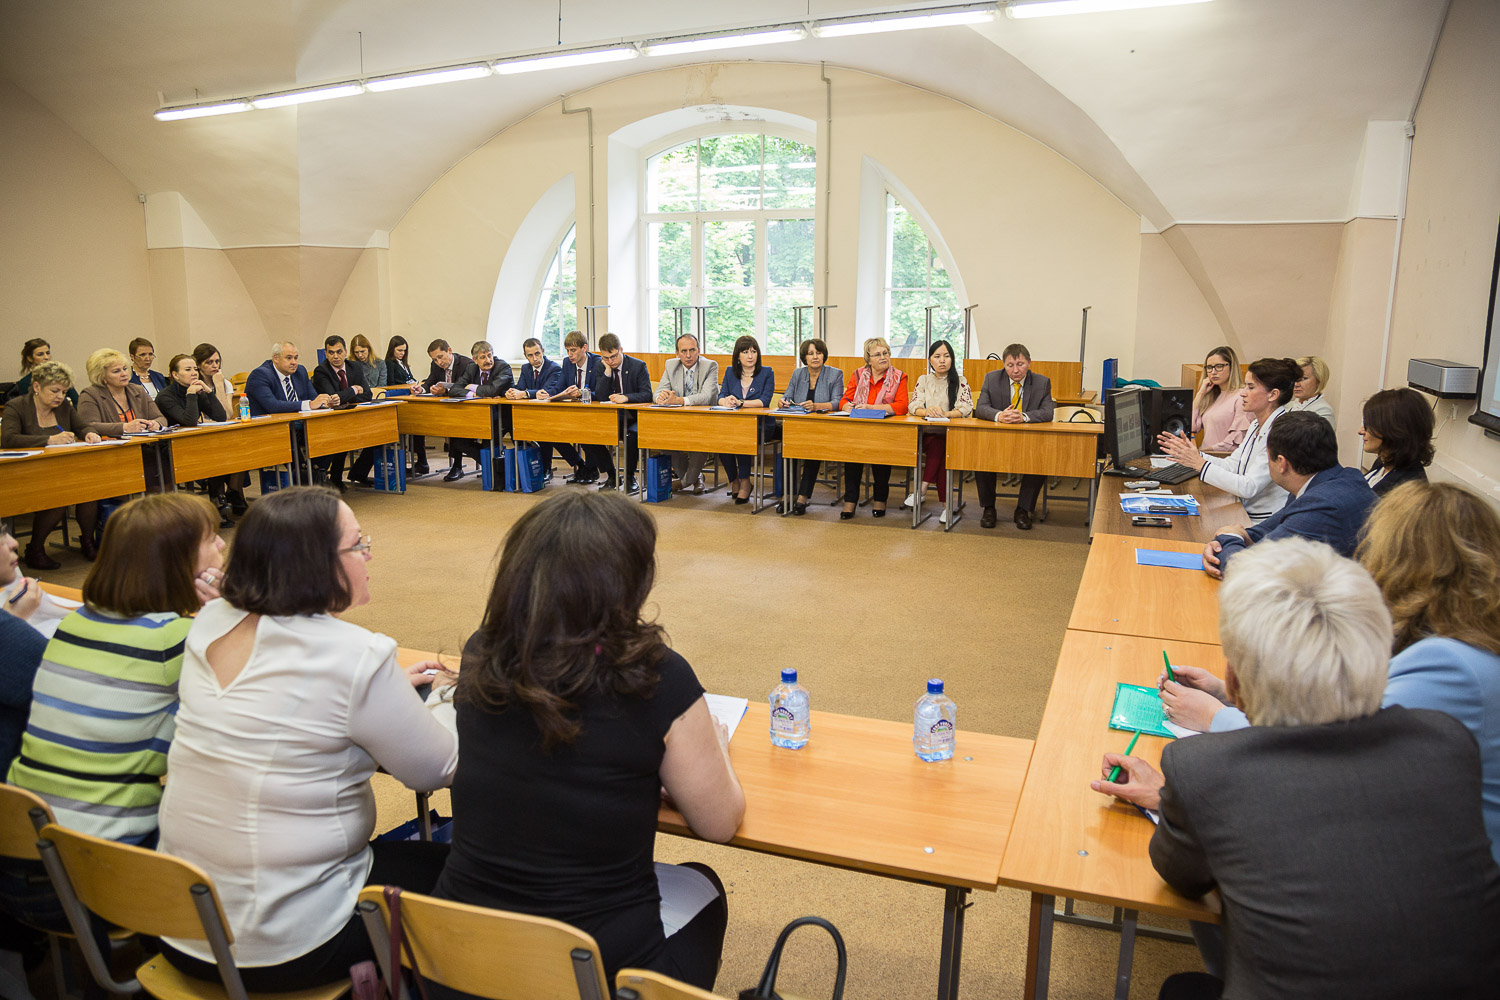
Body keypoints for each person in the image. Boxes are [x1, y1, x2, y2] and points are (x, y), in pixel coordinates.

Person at [1092, 538, 1500, 1000]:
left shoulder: (1202, 768)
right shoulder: (1446, 741)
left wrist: (1169, 800)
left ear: (1234, 682)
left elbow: (1183, 876)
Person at [433, 490, 743, 990]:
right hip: (598, 972)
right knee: (703, 881)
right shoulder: (656, 676)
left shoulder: (482, 651)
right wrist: (718, 754)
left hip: (463, 962)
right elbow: (720, 823)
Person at [156, 487, 456, 992]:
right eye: (358, 544)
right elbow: (437, 768)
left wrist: (383, 695)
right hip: (288, 944)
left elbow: (288, 698)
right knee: (466, 877)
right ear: (316, 565)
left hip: (181, 924)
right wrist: (447, 700)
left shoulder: (208, 622)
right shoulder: (356, 655)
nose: (368, 554)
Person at [7, 493, 223, 845]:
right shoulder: (175, 639)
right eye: (211, 539)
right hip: (99, 851)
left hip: (24, 831)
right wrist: (228, 614)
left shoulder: (76, 621)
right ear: (179, 562)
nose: (223, 544)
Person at [1358, 481, 1500, 863]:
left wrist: (1219, 716)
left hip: (1456, 873)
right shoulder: (1468, 642)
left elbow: (1336, 750)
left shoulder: (1450, 663)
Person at [1200, 411, 1375, 578]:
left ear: (1281, 463)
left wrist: (1227, 538)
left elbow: (1245, 572)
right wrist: (1233, 538)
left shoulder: (1322, 506)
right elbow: (1269, 530)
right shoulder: (1336, 479)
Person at [1156, 356, 1298, 523]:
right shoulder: (1256, 425)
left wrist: (1200, 464)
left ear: (1273, 394)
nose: (1243, 393)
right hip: (1243, 510)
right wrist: (1193, 455)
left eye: (1251, 387)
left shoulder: (1279, 432)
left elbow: (1249, 487)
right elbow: (1233, 465)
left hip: (1261, 522)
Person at [1, 361, 104, 568]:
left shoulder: (64, 407)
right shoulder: (17, 406)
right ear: (37, 387)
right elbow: (8, 439)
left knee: (89, 492)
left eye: (64, 392)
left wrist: (90, 434)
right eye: (54, 391)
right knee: (58, 497)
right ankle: (35, 549)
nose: (60, 396)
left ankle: (87, 542)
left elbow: (82, 426)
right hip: (28, 473)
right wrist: (49, 440)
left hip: (62, 471)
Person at [973, 343, 1052, 530]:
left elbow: (1048, 412)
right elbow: (981, 408)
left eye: (1020, 364)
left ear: (1029, 363)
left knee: (1040, 461)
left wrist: (1023, 417)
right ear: (1004, 365)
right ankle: (989, 508)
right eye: (1010, 365)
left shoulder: (1042, 382)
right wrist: (999, 415)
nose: (1015, 370)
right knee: (980, 457)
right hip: (997, 439)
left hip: (1029, 440)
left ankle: (1023, 509)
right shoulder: (992, 379)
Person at [835, 337, 909, 519]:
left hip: (885, 429)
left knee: (881, 459)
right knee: (852, 457)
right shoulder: (858, 375)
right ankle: (850, 501)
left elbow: (902, 406)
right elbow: (844, 400)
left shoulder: (899, 376)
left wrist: (871, 408)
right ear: (868, 359)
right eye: (877, 354)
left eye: (885, 353)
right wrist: (847, 406)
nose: (883, 357)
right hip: (858, 428)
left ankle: (880, 500)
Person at [158, 354, 234, 527]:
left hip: (194, 442)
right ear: (175, 375)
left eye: (194, 369)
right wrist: (191, 395)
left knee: (218, 451)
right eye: (188, 369)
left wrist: (209, 392)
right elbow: (189, 421)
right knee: (209, 453)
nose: (194, 373)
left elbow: (220, 416)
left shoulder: (197, 390)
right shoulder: (165, 396)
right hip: (170, 445)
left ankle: (217, 502)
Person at [906, 340, 973, 524]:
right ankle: (946, 506)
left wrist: (946, 414)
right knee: (940, 447)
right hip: (925, 435)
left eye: (946, 356)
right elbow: (913, 405)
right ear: (930, 360)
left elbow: (966, 408)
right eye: (937, 356)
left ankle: (922, 490)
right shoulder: (924, 380)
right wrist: (926, 411)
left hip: (952, 436)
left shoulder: (960, 381)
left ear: (952, 358)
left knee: (942, 445)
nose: (942, 360)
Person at [779, 337, 844, 515]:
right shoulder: (798, 374)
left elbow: (838, 402)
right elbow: (787, 396)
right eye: (810, 353)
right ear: (804, 357)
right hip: (798, 425)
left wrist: (817, 406)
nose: (815, 357)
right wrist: (783, 402)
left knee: (812, 450)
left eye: (818, 353)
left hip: (823, 426)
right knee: (787, 449)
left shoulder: (835, 374)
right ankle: (787, 494)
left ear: (824, 355)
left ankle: (802, 497)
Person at [0, 529, 47, 774]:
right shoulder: (11, 637)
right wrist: (12, 625)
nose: (13, 542)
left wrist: (11, 620)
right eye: (0, 535)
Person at [585, 333, 651, 493]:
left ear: (621, 350)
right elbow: (600, 395)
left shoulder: (637, 366)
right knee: (589, 434)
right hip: (612, 417)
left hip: (634, 416)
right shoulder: (601, 366)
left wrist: (626, 398)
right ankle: (612, 475)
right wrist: (607, 372)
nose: (611, 361)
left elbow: (647, 394)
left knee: (631, 436)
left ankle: (629, 477)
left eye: (613, 356)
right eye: (606, 358)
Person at [654, 333, 719, 494]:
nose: (688, 355)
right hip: (677, 420)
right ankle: (695, 478)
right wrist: (661, 398)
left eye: (692, 350)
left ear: (699, 350)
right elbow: (657, 392)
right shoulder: (671, 365)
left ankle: (685, 481)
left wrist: (679, 400)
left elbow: (706, 397)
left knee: (699, 439)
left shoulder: (710, 366)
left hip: (704, 419)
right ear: (677, 353)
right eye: (683, 351)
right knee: (661, 438)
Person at [716, 335, 775, 505]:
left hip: (760, 424)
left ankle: (745, 481)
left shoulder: (766, 372)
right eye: (745, 352)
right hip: (733, 423)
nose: (750, 356)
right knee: (720, 438)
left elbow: (764, 401)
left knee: (742, 435)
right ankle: (734, 479)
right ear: (737, 355)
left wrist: (741, 403)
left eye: (753, 352)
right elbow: (721, 396)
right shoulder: (730, 372)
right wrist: (726, 401)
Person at [443, 340, 513, 482]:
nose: (488, 360)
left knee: (488, 443)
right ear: (475, 360)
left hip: (500, 417)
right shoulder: (471, 368)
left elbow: (493, 390)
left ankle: (496, 469)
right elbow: (454, 390)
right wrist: (474, 394)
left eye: (489, 355)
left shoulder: (502, 367)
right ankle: (493, 466)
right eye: (483, 357)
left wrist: (471, 387)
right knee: (456, 439)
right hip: (477, 417)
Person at [192, 342, 250, 512]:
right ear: (198, 365)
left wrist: (218, 385)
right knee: (216, 452)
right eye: (209, 362)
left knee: (243, 447)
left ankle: (234, 490)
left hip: (223, 430)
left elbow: (227, 414)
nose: (215, 366)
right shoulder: (194, 384)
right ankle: (219, 499)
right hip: (202, 434)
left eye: (217, 361)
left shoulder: (224, 383)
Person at [542, 330, 605, 484]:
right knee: (551, 431)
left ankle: (591, 469)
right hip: (573, 412)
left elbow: (603, 393)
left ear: (584, 348)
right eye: (568, 350)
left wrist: (582, 393)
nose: (570, 354)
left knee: (586, 431)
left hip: (593, 412)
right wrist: (546, 394)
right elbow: (559, 387)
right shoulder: (567, 363)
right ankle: (580, 464)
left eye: (573, 350)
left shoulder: (598, 362)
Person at [312, 335, 371, 491]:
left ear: (345, 351)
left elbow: (367, 395)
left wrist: (344, 396)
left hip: (355, 416)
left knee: (379, 434)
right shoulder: (321, 371)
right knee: (342, 436)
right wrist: (354, 390)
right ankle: (335, 478)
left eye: (339, 352)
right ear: (326, 354)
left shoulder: (355, 367)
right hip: (332, 420)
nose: (336, 356)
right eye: (331, 353)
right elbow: (333, 399)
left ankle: (359, 472)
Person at [507, 337, 567, 479]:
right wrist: (511, 392)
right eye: (530, 355)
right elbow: (520, 387)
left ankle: (546, 468)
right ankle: (533, 456)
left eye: (537, 353)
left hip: (551, 413)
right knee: (512, 425)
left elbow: (546, 391)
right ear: (525, 356)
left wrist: (524, 394)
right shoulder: (525, 368)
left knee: (544, 432)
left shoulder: (553, 368)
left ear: (543, 351)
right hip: (532, 413)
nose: (535, 358)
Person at [1359, 387, 1434, 494]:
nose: (1361, 431)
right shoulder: (1384, 463)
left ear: (1393, 430)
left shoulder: (1407, 488)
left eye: (1367, 425)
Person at [75, 347, 165, 436]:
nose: (124, 374)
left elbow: (160, 418)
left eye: (125, 369)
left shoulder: (137, 390)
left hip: (144, 443)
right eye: (116, 371)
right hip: (112, 444)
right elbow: (88, 426)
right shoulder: (90, 395)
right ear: (102, 376)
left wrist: (156, 423)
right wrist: (124, 428)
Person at [243, 342, 332, 416]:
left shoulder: (300, 371)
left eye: (295, 358)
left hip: (301, 424)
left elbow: (313, 398)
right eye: (289, 358)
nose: (294, 362)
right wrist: (308, 405)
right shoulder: (260, 375)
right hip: (270, 427)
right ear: (276, 358)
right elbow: (273, 406)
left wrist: (325, 403)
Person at [346, 335, 388, 486]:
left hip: (376, 403)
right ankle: (358, 472)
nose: (360, 355)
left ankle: (358, 471)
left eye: (362, 351)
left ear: (369, 349)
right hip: (358, 405)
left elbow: (383, 386)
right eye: (356, 352)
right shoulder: (350, 365)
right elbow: (351, 389)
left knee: (382, 436)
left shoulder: (379, 363)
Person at [384, 336, 429, 475]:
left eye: (404, 350)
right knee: (413, 426)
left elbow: (410, 379)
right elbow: (391, 384)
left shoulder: (403, 364)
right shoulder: (390, 363)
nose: (402, 353)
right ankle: (419, 461)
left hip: (410, 395)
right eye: (399, 350)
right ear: (392, 349)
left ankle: (422, 461)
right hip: (401, 399)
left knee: (418, 426)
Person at [1190, 346, 1248, 452]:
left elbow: (1235, 442)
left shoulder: (1241, 396)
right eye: (1209, 367)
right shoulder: (1212, 396)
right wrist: (1200, 394)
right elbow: (1191, 428)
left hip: (1222, 457)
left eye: (1219, 366)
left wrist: (1203, 452)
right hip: (1205, 456)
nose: (1213, 372)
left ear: (1232, 367)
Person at [5, 338, 78, 406]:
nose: (46, 357)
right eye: (40, 354)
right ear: (30, 358)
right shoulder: (25, 383)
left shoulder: (61, 377)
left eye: (48, 353)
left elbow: (76, 401)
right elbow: (30, 409)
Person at [1287, 355, 1335, 429]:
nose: (1296, 384)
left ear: (1319, 380)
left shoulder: (1323, 411)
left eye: (1304, 378)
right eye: (1295, 378)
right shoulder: (1287, 406)